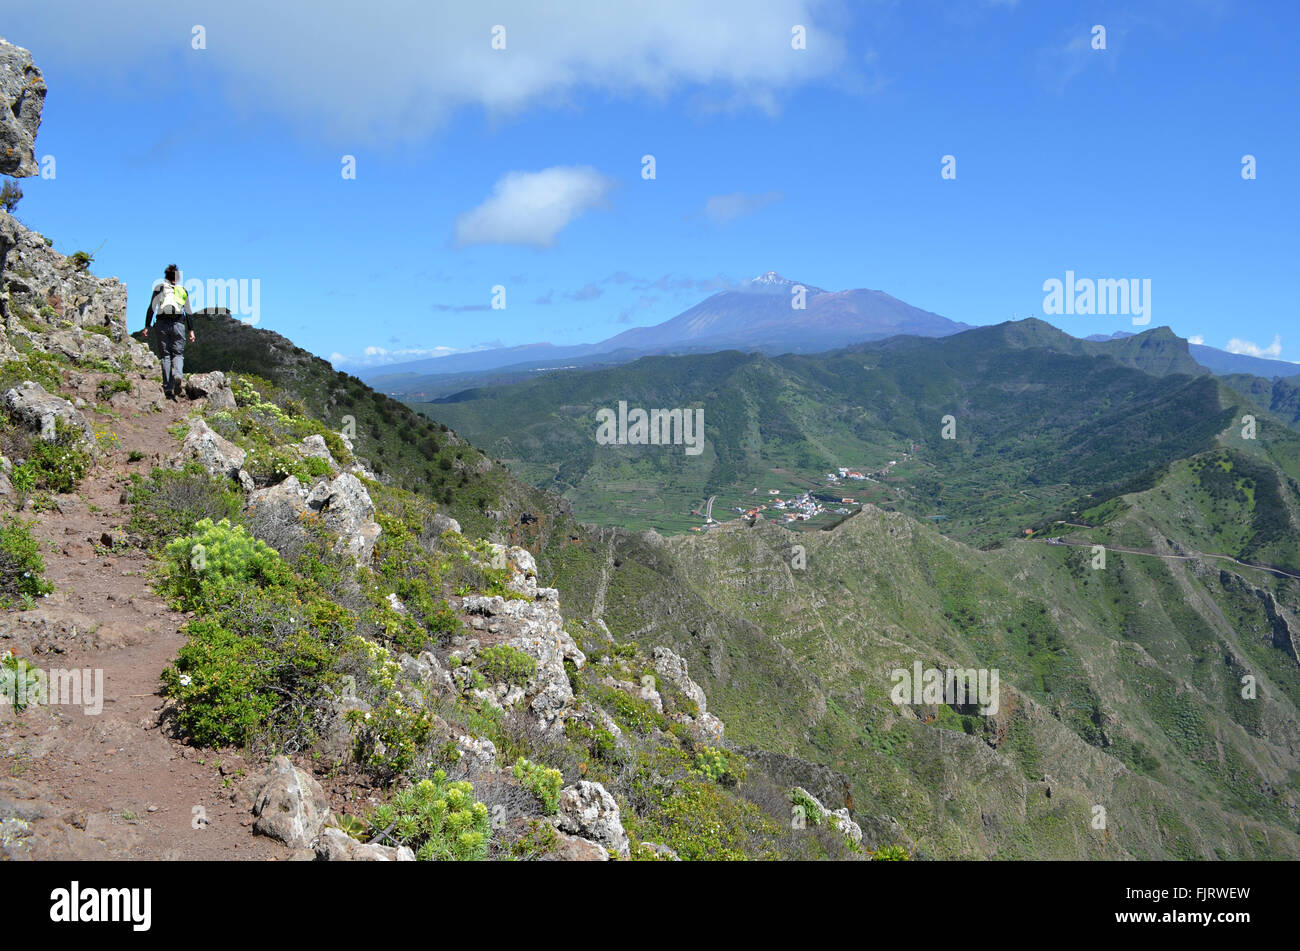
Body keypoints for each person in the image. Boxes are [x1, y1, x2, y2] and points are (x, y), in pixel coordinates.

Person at [142, 264, 195, 400]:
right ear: (177, 278)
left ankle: (168, 387)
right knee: (178, 354)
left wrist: (147, 326)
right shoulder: (182, 290)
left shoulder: (159, 288)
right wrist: (191, 330)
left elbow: (152, 308)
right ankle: (178, 375)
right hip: (178, 324)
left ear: (166, 277)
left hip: (162, 324)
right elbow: (188, 312)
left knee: (165, 356)